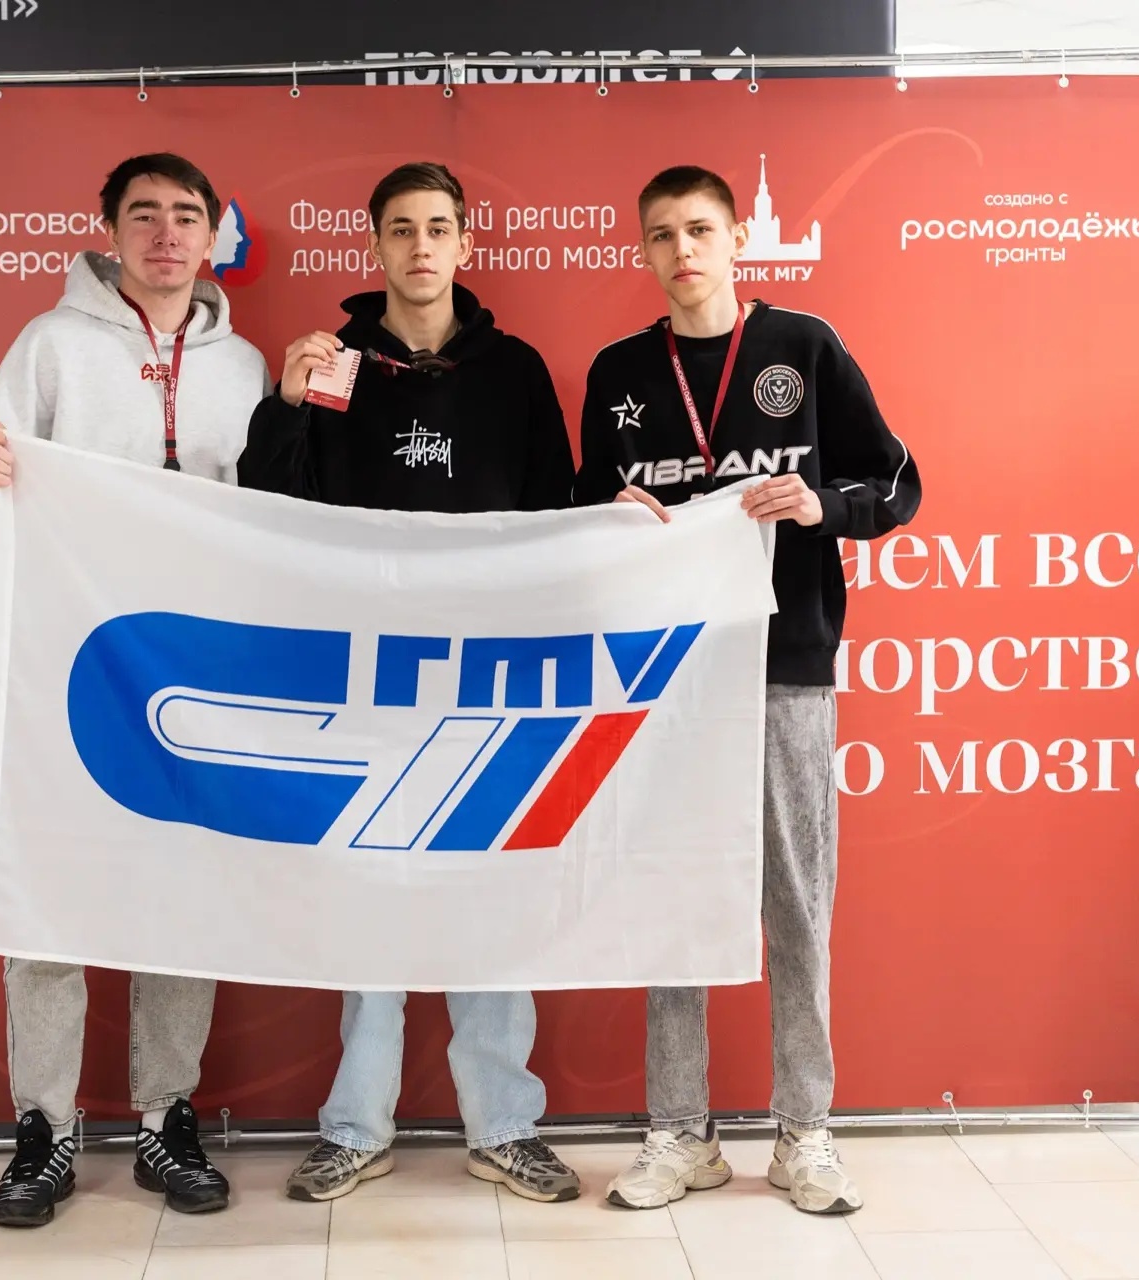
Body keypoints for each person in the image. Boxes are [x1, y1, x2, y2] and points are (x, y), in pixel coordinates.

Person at [0, 152, 269, 1227]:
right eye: (145, 215)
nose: (167, 234)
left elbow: (268, 528)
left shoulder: (246, 366)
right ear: (109, 230)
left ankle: (168, 1117)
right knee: (50, 896)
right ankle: (46, 1127)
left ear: (213, 235)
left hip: (195, 676)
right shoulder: (50, 346)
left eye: (186, 216)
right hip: (64, 671)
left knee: (183, 900)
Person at [574, 165, 921, 1215]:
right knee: (671, 900)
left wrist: (821, 505)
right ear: (643, 251)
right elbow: (581, 505)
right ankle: (679, 1130)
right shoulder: (619, 369)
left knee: (797, 904)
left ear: (736, 242)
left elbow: (898, 482)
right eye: (661, 234)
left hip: (784, 668)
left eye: (699, 230)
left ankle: (805, 1131)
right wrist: (610, 513)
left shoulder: (804, 347)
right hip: (662, 676)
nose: (682, 251)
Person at [238, 161, 581, 1203]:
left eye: (438, 228)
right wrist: (284, 407)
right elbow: (271, 508)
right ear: (375, 245)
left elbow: (557, 516)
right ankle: (356, 1127)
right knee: (368, 906)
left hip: (488, 678)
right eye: (401, 229)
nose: (421, 246)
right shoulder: (332, 364)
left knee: (491, 903)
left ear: (465, 243)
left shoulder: (515, 370)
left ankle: (504, 1125)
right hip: (365, 674)